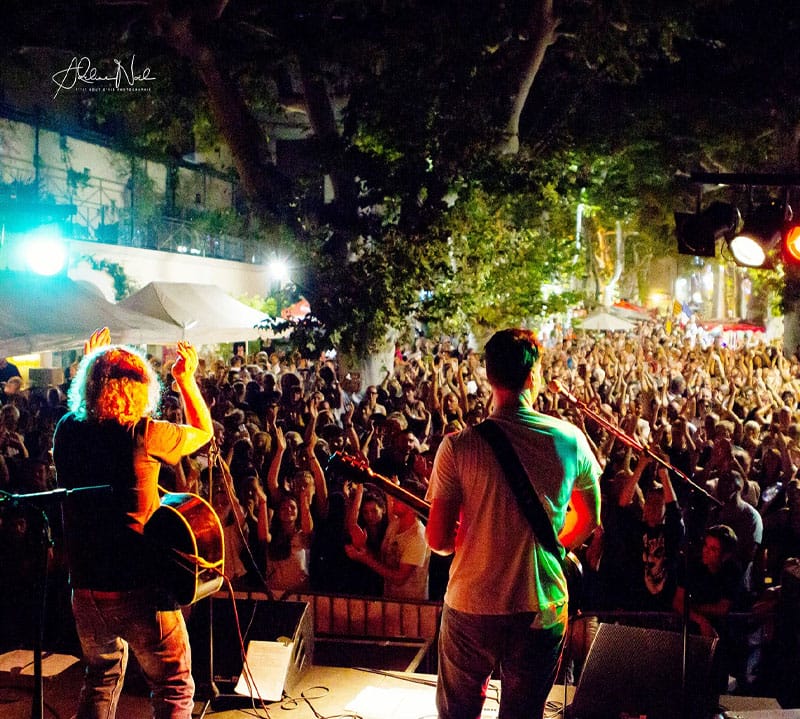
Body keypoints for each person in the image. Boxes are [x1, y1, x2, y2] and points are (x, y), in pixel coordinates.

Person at [425, 328, 602, 719]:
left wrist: (477, 537)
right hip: (541, 606)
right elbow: (589, 519)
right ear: (533, 376)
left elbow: (437, 540)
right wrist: (551, 548)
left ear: (489, 377)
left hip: (471, 606)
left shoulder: (459, 446)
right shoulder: (570, 440)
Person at [52, 327, 213, 719]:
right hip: (138, 586)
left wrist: (93, 367)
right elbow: (204, 434)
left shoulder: (67, 430)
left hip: (87, 588)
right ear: (142, 389)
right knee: (173, 686)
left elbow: (85, 414)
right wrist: (186, 380)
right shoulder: (145, 433)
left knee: (100, 678)